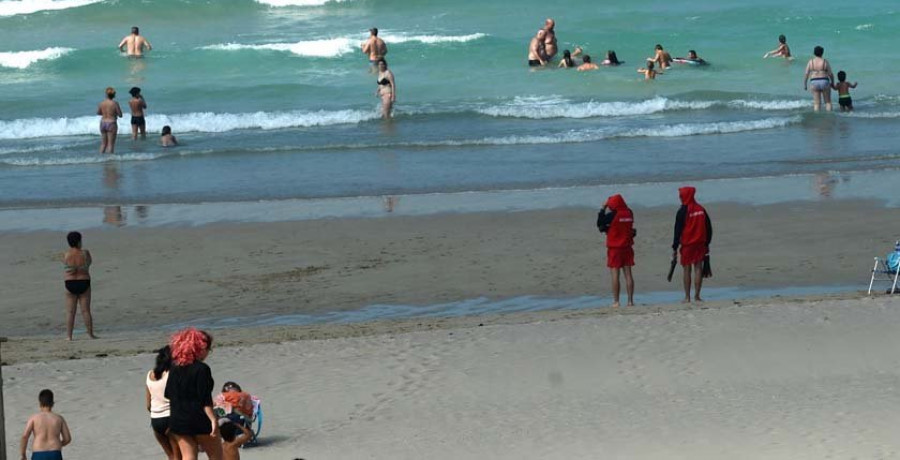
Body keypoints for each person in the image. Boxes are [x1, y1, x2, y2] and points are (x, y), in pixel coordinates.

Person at [165, 328, 222, 460]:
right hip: (200, 419)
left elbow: (168, 394)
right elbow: (205, 399)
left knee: (188, 457)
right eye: (208, 348)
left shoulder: (173, 367)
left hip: (179, 420)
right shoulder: (202, 369)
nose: (208, 352)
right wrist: (213, 420)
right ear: (200, 348)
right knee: (216, 457)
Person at [672, 186, 713, 303]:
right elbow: (709, 228)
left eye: (681, 196)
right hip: (700, 244)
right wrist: (707, 243)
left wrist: (674, 247)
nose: (680, 198)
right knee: (698, 268)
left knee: (687, 270)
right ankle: (697, 296)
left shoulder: (682, 211)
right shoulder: (701, 209)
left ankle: (687, 297)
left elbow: (677, 231)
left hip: (687, 245)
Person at [597, 194, 636, 307]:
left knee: (615, 275)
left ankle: (616, 301)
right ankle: (630, 301)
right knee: (628, 274)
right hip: (627, 247)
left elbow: (600, 223)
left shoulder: (613, 214)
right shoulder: (629, 213)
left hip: (615, 248)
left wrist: (602, 209)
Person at [147, 346, 181, 460]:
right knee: (178, 456)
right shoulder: (172, 374)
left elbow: (148, 405)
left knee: (170, 456)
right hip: (171, 418)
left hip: (156, 420)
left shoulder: (150, 375)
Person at [19, 389, 71, 460]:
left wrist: (23, 454)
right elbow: (67, 439)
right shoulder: (59, 418)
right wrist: (58, 444)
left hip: (38, 453)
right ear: (52, 403)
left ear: (40, 403)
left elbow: (25, 436)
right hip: (55, 453)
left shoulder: (34, 418)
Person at [63, 231, 96, 340]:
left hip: (70, 283)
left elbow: (65, 266)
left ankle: (69, 336)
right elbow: (89, 263)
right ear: (79, 241)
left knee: (70, 311)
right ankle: (90, 334)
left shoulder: (66, 254)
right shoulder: (85, 253)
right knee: (85, 310)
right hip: (83, 281)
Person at [803, 46, 834, 111]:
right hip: (824, 80)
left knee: (817, 103)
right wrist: (832, 82)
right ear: (822, 53)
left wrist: (805, 84)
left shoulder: (810, 62)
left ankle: (817, 118)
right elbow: (830, 74)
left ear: (814, 53)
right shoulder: (825, 61)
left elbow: (806, 74)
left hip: (814, 81)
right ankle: (829, 116)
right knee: (827, 102)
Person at [97, 87, 123, 154]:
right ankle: (110, 160)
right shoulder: (115, 103)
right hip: (111, 123)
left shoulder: (102, 103)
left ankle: (100, 158)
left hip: (103, 123)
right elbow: (120, 115)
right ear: (114, 95)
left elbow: (98, 112)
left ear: (106, 94)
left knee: (103, 144)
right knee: (111, 145)